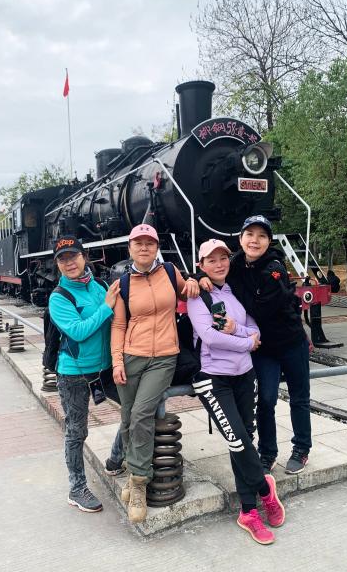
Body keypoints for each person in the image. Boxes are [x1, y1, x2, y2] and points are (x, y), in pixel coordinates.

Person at [188, 238, 285, 545]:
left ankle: (248, 512)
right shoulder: (198, 296)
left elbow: (253, 329)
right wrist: (246, 342)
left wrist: (239, 332)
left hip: (244, 375)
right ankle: (265, 489)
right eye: (211, 260)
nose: (219, 264)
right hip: (214, 379)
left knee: (243, 441)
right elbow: (210, 337)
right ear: (201, 265)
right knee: (238, 439)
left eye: (223, 258)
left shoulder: (235, 291)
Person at [199, 216, 311, 475]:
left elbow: (259, 309)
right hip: (263, 347)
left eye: (262, 236)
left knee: (299, 398)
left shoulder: (274, 269)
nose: (255, 240)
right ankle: (267, 452)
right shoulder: (237, 263)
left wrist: (236, 325)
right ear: (240, 239)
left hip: (291, 342)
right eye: (249, 234)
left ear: (269, 241)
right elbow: (215, 269)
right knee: (266, 400)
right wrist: (198, 278)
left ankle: (301, 448)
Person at [111, 224, 199, 524]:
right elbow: (118, 325)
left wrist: (198, 281)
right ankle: (132, 469)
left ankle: (138, 483)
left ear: (157, 247)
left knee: (141, 414)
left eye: (150, 243)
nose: (144, 247)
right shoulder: (123, 283)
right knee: (127, 417)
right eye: (138, 243)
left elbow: (189, 289)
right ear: (130, 248)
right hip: (131, 356)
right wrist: (117, 361)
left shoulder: (171, 272)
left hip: (163, 357)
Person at [48, 235, 120, 513]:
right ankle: (77, 488)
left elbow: (117, 319)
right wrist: (106, 307)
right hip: (73, 373)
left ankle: (115, 459)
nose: (69, 263)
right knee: (77, 431)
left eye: (73, 256)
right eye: (63, 259)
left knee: (135, 411)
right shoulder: (59, 297)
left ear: (84, 257)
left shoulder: (100, 285)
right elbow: (78, 331)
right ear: (58, 264)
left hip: (106, 368)